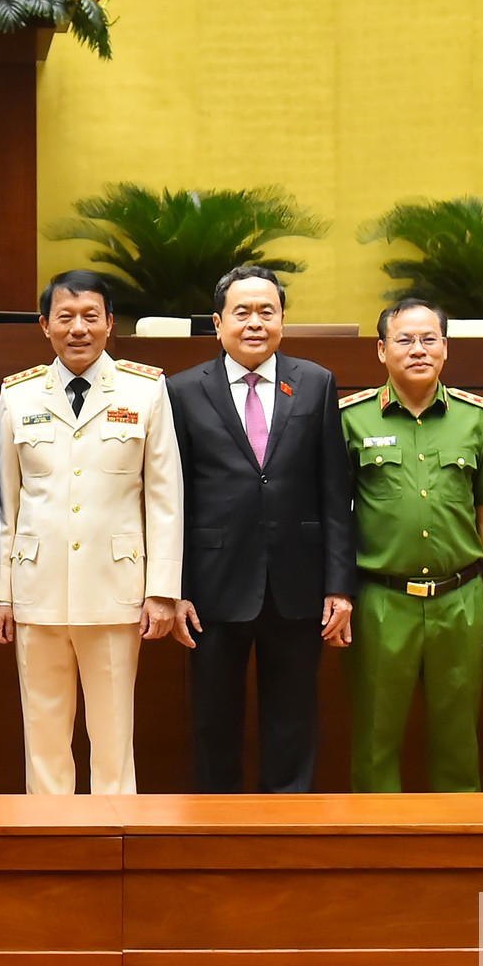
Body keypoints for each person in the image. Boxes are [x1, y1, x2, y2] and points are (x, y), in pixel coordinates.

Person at [165, 266, 356, 793]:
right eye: (242, 312)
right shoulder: (182, 390)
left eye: (266, 312)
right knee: (214, 723)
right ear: (218, 323)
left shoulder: (315, 382)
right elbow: (172, 498)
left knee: (293, 722)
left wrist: (339, 586)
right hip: (213, 585)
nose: (255, 323)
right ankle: (216, 824)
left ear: (282, 320)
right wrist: (176, 589)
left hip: (297, 583)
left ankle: (288, 823)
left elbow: (334, 491)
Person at [0, 269, 181, 795]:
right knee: (44, 737)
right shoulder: (18, 394)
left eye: (90, 316)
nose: (78, 328)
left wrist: (162, 590)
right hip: (37, 589)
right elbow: (6, 505)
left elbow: (165, 498)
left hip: (116, 590)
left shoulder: (145, 390)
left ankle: (113, 834)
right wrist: (2, 595)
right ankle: (51, 835)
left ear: (110, 323)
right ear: (44, 325)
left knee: (114, 737)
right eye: (66, 317)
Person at [338, 299, 483, 792]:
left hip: (460, 599)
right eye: (404, 340)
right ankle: (376, 838)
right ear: (381, 350)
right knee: (375, 739)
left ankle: (457, 838)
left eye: (428, 339)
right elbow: (334, 517)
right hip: (380, 600)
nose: (418, 349)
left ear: (445, 348)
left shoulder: (477, 418)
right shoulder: (352, 419)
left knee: (459, 738)